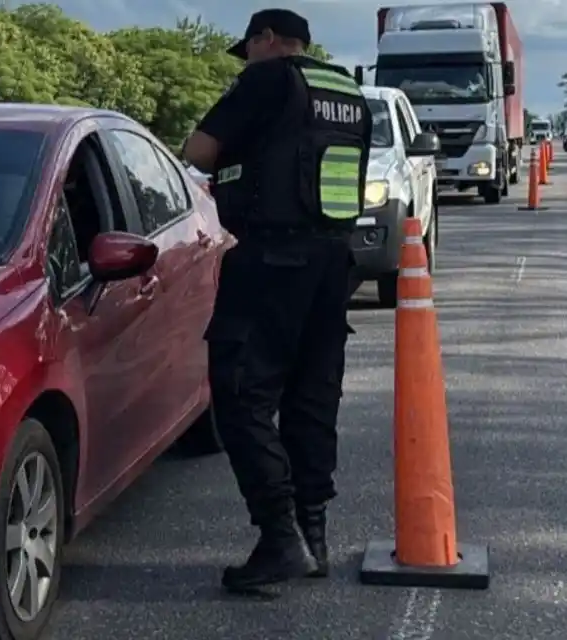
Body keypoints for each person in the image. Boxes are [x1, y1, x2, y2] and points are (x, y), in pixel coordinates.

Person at [181, 8, 372, 591]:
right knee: (312, 398)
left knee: (240, 394)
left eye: (251, 47)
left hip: (271, 258)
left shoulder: (268, 77)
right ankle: (313, 538)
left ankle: (280, 537)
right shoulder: (347, 90)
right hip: (332, 261)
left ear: (266, 40)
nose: (249, 58)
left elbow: (199, 151)